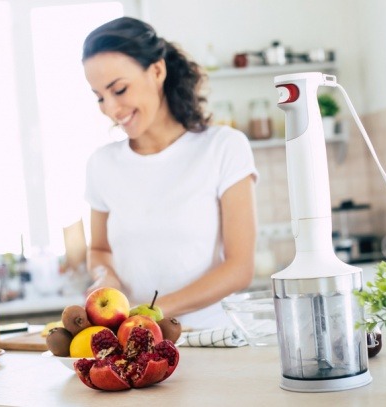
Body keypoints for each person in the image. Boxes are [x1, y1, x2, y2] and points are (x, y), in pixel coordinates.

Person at [82, 17, 258, 329]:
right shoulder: (102, 164)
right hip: (136, 344)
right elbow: (99, 250)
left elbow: (240, 268)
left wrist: (151, 311)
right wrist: (103, 275)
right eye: (99, 96)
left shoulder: (223, 147)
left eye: (119, 89)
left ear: (157, 71)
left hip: (208, 337)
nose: (110, 108)